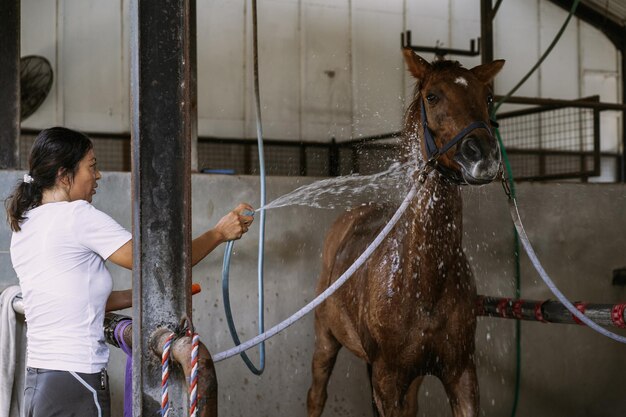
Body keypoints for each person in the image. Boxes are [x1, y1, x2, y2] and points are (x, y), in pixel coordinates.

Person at [5, 126, 254, 417]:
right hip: (77, 382)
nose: (97, 176)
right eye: (92, 167)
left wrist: (145, 295)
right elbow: (160, 263)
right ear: (64, 175)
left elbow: (74, 301)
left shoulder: (25, 224)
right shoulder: (76, 216)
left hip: (39, 381)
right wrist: (219, 233)